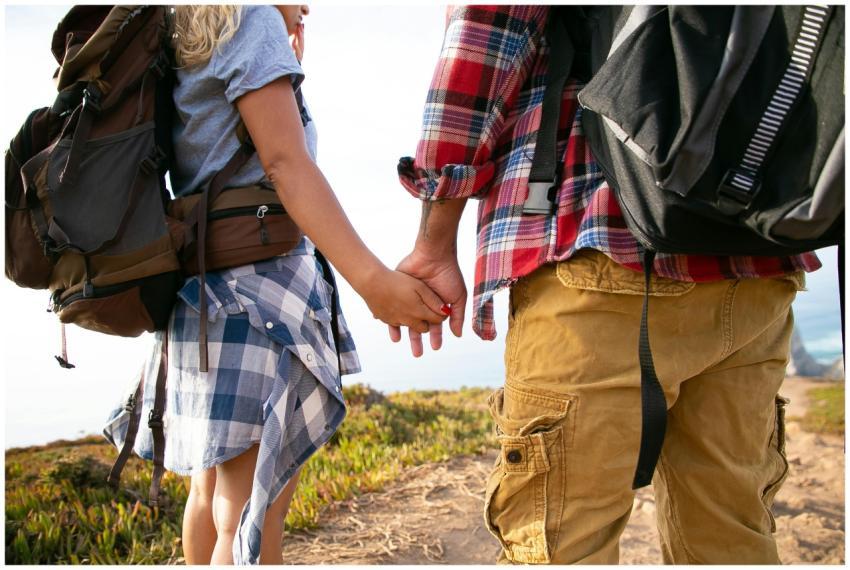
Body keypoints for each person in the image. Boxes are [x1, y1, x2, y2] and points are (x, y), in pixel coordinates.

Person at [393, 5, 822, 564]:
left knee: (561, 541)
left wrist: (434, 241)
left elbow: (486, 38)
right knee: (730, 536)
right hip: (757, 253)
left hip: (600, 241)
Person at [104, 5, 448, 565]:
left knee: (209, 495)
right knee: (252, 513)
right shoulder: (253, 18)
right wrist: (374, 283)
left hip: (200, 293)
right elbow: (286, 165)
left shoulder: (188, 28)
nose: (310, 6)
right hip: (258, 298)